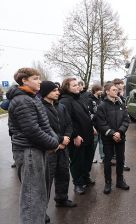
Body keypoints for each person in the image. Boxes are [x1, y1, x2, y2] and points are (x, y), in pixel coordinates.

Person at [8, 68, 59, 224]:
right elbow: (33, 130)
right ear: (24, 80)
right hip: (28, 151)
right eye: (36, 78)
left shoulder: (31, 98)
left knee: (39, 194)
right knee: (32, 196)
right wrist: (53, 143)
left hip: (36, 149)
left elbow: (44, 124)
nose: (40, 81)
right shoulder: (22, 100)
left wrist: (54, 139)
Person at [40, 81, 77, 209]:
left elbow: (69, 124)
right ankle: (41, 210)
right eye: (54, 90)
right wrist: (60, 140)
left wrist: (66, 137)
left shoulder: (61, 106)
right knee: (46, 180)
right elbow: (44, 129)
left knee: (63, 174)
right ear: (45, 92)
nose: (58, 92)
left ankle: (61, 199)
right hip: (50, 149)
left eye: (58, 90)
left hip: (63, 147)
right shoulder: (40, 108)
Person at [59, 77, 95, 195]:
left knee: (87, 159)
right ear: (67, 88)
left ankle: (85, 177)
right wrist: (75, 135)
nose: (78, 87)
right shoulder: (65, 101)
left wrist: (92, 127)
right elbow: (66, 121)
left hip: (88, 134)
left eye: (77, 85)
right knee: (77, 161)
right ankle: (78, 183)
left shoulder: (79, 98)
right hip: (77, 137)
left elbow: (86, 115)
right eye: (74, 85)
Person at [96, 82, 130, 194]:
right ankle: (108, 183)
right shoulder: (102, 106)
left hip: (120, 137)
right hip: (108, 139)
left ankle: (120, 181)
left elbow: (126, 120)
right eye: (114, 90)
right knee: (108, 161)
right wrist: (112, 133)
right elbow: (101, 123)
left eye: (117, 90)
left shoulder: (121, 104)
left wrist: (120, 132)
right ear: (107, 92)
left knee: (120, 160)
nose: (117, 91)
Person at [113, 78, 131, 171]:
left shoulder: (120, 97)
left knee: (120, 148)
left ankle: (120, 163)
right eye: (120, 85)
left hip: (121, 127)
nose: (122, 86)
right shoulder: (114, 98)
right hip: (114, 127)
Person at [88, 84, 104, 163]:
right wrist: (91, 125)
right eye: (99, 90)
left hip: (101, 124)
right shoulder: (90, 100)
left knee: (102, 141)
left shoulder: (100, 99)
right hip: (94, 124)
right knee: (94, 142)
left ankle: (102, 157)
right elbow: (89, 113)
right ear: (95, 90)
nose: (101, 91)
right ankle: (91, 157)